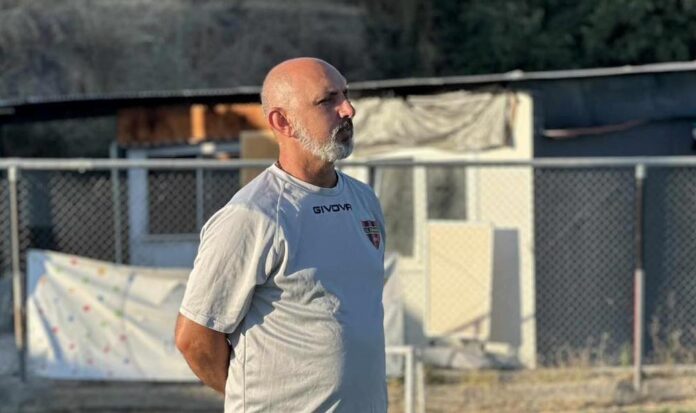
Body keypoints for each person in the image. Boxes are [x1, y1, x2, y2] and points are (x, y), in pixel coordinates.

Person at [175, 57, 387, 412]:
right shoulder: (252, 215)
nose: (348, 110)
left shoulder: (364, 200)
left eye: (345, 95)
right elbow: (195, 339)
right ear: (282, 122)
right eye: (327, 100)